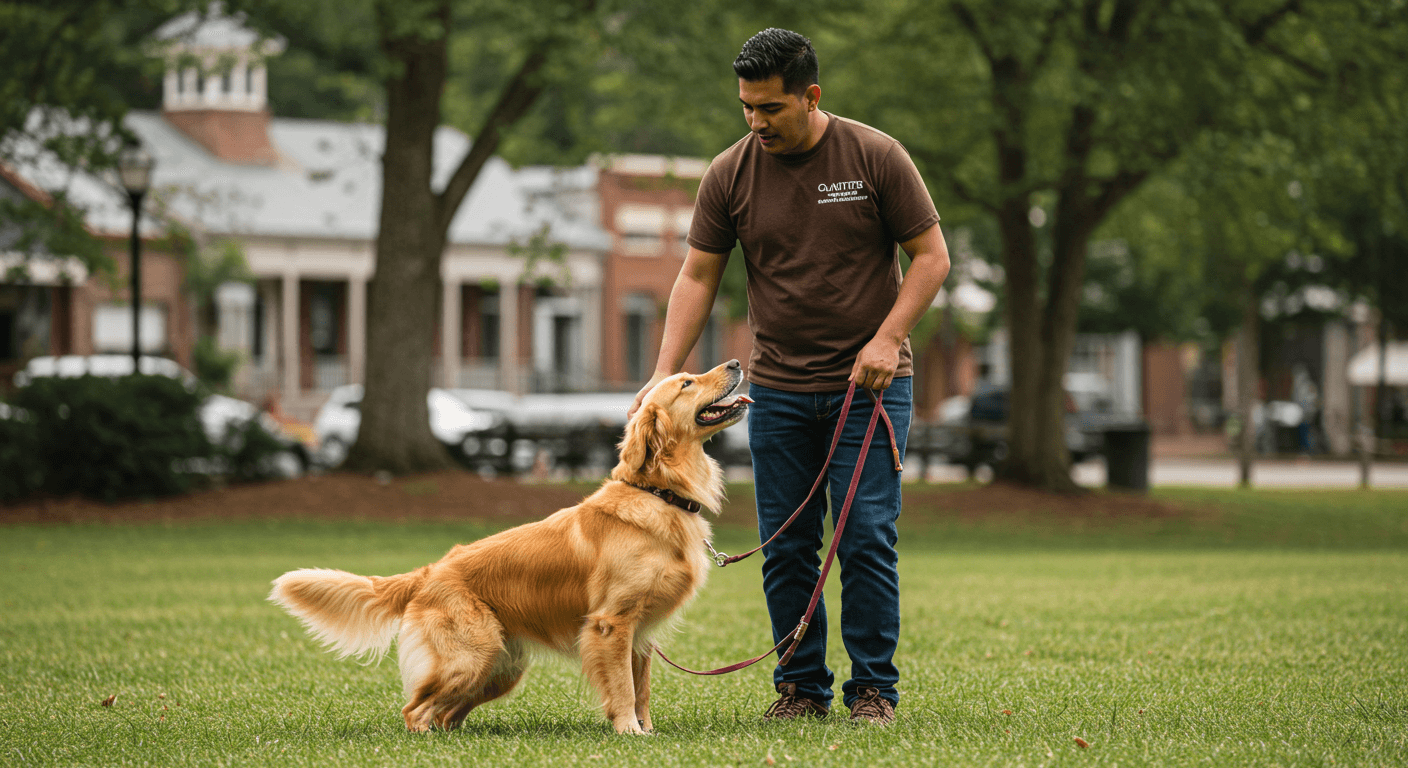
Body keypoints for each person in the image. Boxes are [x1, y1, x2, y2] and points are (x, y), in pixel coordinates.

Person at [629, 28, 950, 725]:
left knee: (865, 536)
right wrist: (662, 372)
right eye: (746, 107)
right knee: (786, 548)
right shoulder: (730, 173)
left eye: (770, 108)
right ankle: (801, 688)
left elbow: (931, 258)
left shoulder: (874, 156)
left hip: (868, 390)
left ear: (811, 96)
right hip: (775, 393)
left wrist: (888, 338)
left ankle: (873, 691)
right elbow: (698, 273)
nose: (756, 122)